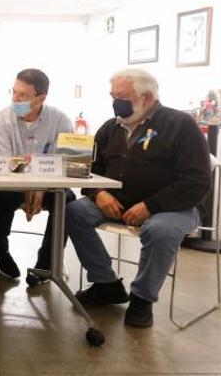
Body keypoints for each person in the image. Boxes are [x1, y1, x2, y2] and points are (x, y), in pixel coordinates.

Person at [68, 69, 211, 328]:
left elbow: (197, 182)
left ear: (146, 98)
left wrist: (150, 206)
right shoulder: (110, 128)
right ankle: (105, 283)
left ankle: (142, 298)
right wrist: (98, 193)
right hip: (117, 202)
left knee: (160, 231)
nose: (115, 102)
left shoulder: (180, 125)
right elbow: (89, 172)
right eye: (113, 96)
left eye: (122, 96)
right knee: (73, 211)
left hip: (171, 207)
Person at [0, 68, 76, 288]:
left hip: (48, 187)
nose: (15, 98)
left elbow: (64, 165)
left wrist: (39, 188)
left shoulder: (61, 121)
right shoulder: (2, 118)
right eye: (14, 92)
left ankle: (45, 267)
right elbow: (5, 163)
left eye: (23, 95)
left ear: (41, 98)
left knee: (68, 201)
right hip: (12, 185)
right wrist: (30, 186)